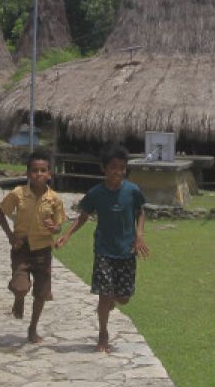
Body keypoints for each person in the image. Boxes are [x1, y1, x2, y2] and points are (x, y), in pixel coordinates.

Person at [55, 142, 150, 353]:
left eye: (122, 168)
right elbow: (83, 217)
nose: (118, 172)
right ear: (104, 168)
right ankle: (103, 334)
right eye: (113, 167)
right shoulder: (96, 193)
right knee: (104, 294)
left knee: (123, 298)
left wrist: (139, 235)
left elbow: (141, 212)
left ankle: (110, 301)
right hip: (104, 251)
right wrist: (66, 235)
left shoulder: (133, 191)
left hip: (126, 251)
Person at [0, 149, 66, 343]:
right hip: (22, 249)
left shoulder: (55, 199)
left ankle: (33, 328)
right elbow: (0, 214)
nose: (39, 174)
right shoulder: (18, 194)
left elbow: (59, 225)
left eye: (43, 170)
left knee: (42, 293)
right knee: (20, 287)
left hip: (43, 251)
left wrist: (55, 228)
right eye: (35, 170)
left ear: (49, 174)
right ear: (28, 173)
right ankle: (19, 298)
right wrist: (11, 237)